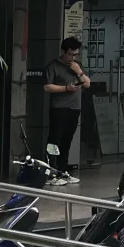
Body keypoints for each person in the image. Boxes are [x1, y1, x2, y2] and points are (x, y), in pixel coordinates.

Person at [42, 37, 91, 184]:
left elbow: (87, 84)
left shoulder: (77, 66)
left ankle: (63, 171)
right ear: (63, 51)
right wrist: (66, 88)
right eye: (70, 54)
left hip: (74, 108)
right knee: (54, 140)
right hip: (59, 107)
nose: (73, 57)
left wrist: (79, 72)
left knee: (67, 141)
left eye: (76, 54)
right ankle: (51, 173)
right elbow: (47, 87)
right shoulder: (53, 66)